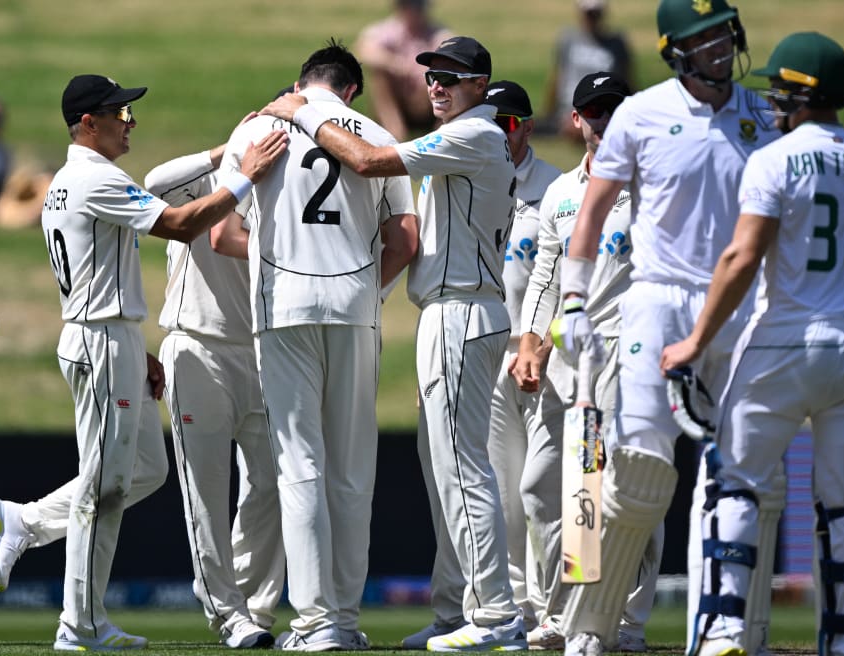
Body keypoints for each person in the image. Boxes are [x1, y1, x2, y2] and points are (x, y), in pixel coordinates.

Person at [263, 35, 526, 652]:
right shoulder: (469, 134)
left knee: (464, 474)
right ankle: (458, 612)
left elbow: (365, 160)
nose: (437, 85)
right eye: (432, 75)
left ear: (481, 85)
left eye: (452, 77)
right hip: (454, 311)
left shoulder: (477, 134)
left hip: (463, 309)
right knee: (448, 477)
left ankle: (496, 619)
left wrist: (301, 109)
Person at [549, 2, 783, 654]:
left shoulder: (762, 114)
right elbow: (593, 210)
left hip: (738, 306)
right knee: (640, 472)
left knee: (747, 478)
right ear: (673, 49)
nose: (718, 47)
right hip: (656, 303)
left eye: (722, 33)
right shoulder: (640, 112)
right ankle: (591, 628)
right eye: (702, 37)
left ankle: (733, 632)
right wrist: (573, 297)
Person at [35, 73, 286, 651]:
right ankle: (80, 624)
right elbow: (177, 222)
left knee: (143, 471)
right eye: (119, 114)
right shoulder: (96, 177)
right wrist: (244, 178)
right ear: (88, 123)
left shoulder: (70, 180)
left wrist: (132, 342)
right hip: (100, 339)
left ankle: (32, 534)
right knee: (103, 487)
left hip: (109, 335)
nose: (130, 123)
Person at [660, 31, 844, 656]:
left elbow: (742, 257)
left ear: (800, 94)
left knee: (734, 482)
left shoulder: (773, 158)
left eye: (780, 89)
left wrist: (696, 340)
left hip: (784, 342)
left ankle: (722, 630)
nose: (770, 99)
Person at [219, 40, 416, 652]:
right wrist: (362, 291)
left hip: (283, 309)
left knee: (298, 466)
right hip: (356, 310)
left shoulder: (255, 125)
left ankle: (316, 623)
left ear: (302, 82)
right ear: (350, 89)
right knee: (352, 469)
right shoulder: (376, 132)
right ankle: (347, 620)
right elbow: (404, 241)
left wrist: (289, 271)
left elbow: (226, 228)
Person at [399, 78, 561, 648]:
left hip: (509, 339)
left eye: (512, 123)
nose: (504, 132)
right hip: (475, 330)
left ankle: (512, 613)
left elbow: (556, 277)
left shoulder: (545, 183)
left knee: (522, 487)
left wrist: (537, 340)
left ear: (523, 125)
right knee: (457, 474)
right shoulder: (461, 154)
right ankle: (465, 610)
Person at [511, 72, 660, 652]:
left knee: (610, 486)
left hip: (629, 346)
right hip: (570, 358)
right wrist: (530, 341)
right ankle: (564, 610)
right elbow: (546, 276)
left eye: (612, 110)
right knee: (543, 486)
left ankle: (619, 620)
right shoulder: (562, 192)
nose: (601, 120)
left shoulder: (652, 185)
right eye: (591, 111)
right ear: (575, 120)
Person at [143, 139, 286, 649]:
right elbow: (153, 184)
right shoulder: (212, 174)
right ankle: (226, 611)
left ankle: (252, 604)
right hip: (197, 344)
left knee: (272, 484)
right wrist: (225, 153)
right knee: (205, 491)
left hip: (264, 350)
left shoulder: (288, 180)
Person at [354, 0, 453, 141]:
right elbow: (364, 50)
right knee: (380, 75)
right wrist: (395, 64)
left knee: (445, 78)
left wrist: (425, 75)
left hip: (429, 100)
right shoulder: (387, 30)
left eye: (418, 6)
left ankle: (442, 135)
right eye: (410, 6)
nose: (414, 11)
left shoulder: (437, 33)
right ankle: (395, 132)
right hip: (397, 100)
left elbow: (452, 57)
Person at [540, 0, 634, 143]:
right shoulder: (568, 38)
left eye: (596, 14)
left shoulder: (616, 43)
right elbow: (558, 77)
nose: (592, 18)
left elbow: (627, 81)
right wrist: (549, 114)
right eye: (589, 14)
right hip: (568, 112)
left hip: (603, 111)